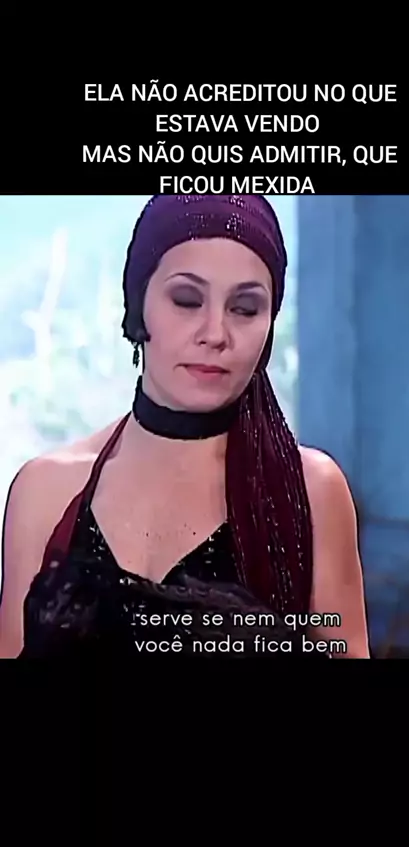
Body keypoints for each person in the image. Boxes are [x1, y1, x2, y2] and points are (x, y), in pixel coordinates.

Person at [0, 194, 370, 659]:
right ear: (138, 304)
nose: (215, 333)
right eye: (187, 300)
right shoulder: (47, 492)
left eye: (245, 308)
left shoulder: (310, 491)